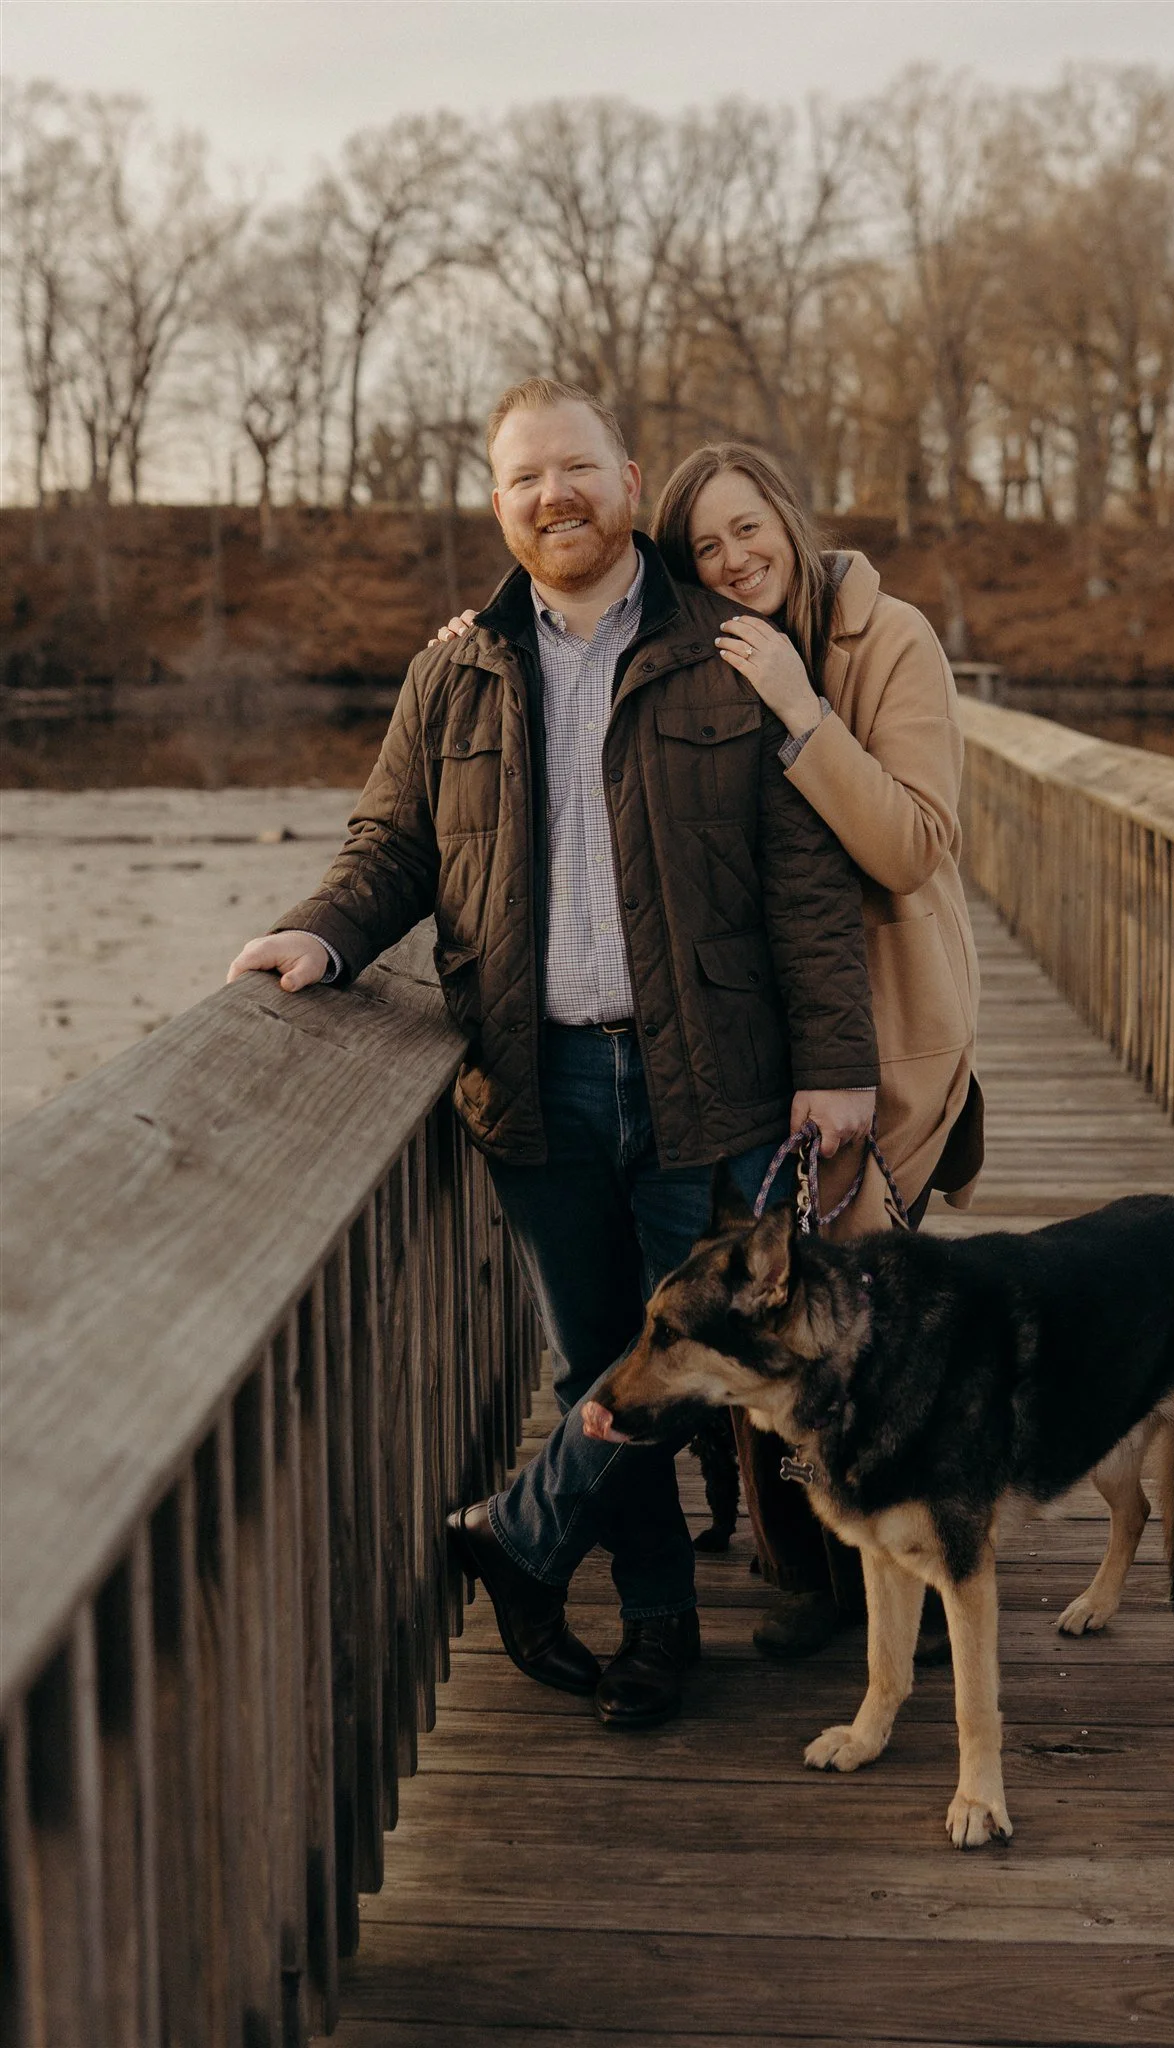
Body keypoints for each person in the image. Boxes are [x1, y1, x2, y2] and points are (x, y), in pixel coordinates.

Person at [228, 380, 881, 1731]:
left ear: (630, 483)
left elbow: (805, 885)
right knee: (600, 1355)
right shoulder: (453, 668)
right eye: (524, 478)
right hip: (539, 1082)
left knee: (695, 1358)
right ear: (497, 502)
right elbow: (391, 849)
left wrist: (838, 1064)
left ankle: (526, 1538)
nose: (553, 497)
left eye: (575, 469)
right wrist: (319, 941)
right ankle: (655, 1627)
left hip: (717, 1074)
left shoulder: (732, 650)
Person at [645, 441, 984, 1660]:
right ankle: (821, 1578)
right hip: (758, 1030)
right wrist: (475, 639)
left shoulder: (887, 640)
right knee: (767, 1297)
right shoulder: (698, 645)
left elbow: (911, 846)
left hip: (893, 1022)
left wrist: (801, 707)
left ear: (786, 517)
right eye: (705, 547)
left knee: (871, 1305)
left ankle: (936, 1573)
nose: (735, 560)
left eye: (749, 529)